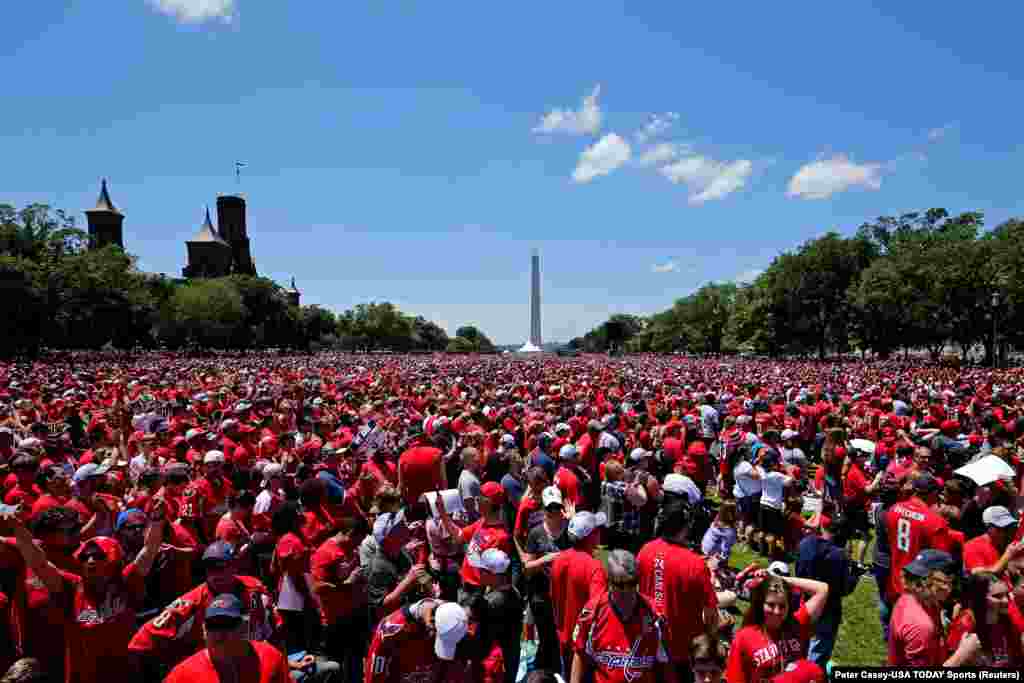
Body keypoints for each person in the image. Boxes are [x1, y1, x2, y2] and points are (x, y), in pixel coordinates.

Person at [4, 500, 163, 683]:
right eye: (86, 557)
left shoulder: (125, 582)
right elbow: (39, 564)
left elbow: (149, 550)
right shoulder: (71, 587)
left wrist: (157, 520)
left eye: (98, 556)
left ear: (113, 560)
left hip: (125, 674)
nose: (91, 561)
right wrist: (18, 529)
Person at [637, 476, 718, 682]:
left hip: (650, 643)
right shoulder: (695, 564)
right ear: (686, 526)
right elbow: (710, 613)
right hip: (683, 649)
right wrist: (711, 641)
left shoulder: (645, 550)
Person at [570, 549, 677, 683]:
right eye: (620, 585)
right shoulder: (593, 612)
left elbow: (666, 664)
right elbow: (579, 653)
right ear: (609, 582)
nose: (627, 591)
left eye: (632, 583)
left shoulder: (655, 614)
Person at [724, 570, 830, 683]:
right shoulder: (744, 637)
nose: (777, 612)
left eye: (782, 606)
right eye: (771, 605)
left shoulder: (797, 623)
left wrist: (780, 579)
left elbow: (822, 589)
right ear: (760, 604)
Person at [162, 593, 291, 683]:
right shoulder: (182, 676)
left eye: (228, 624)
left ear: (243, 628)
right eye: (213, 625)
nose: (220, 632)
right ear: (204, 630)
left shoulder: (270, 657)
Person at [889, 549, 981, 667]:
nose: (951, 588)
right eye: (950, 581)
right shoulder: (922, 626)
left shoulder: (910, 598)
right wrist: (962, 654)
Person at [795, 514, 859, 667]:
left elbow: (798, 572)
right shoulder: (840, 556)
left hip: (805, 603)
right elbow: (843, 589)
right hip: (828, 608)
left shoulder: (805, 543)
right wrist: (855, 576)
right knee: (818, 653)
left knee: (800, 645)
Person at [550, 511, 607, 676]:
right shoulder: (594, 567)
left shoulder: (559, 560)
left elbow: (554, 597)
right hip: (584, 648)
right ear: (591, 536)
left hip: (563, 640)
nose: (600, 533)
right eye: (597, 530)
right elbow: (597, 611)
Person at [523, 485, 572, 673]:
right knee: (546, 637)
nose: (553, 513)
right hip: (542, 595)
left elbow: (587, 548)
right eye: (549, 509)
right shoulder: (536, 533)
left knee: (563, 636)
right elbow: (527, 567)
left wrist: (574, 519)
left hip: (565, 595)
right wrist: (546, 559)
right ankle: (546, 671)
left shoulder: (570, 530)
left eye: (557, 508)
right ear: (543, 510)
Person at [883, 472, 953, 602]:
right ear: (933, 494)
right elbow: (941, 561)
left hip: (894, 581)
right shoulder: (936, 522)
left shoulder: (894, 509)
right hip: (918, 588)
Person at [363, 599, 468, 683]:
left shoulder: (455, 619)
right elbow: (375, 674)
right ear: (431, 624)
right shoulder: (392, 630)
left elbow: (450, 667)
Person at [946, 571, 1023, 667]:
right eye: (997, 596)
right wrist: (962, 655)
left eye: (1006, 594)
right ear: (979, 599)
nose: (1006, 600)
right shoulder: (965, 624)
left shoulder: (1008, 620)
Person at [472, 548, 522, 683]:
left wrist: (478, 590)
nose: (478, 573)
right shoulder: (512, 591)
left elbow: (474, 615)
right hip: (507, 656)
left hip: (494, 665)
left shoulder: (493, 603)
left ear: (493, 575)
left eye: (481, 570)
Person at [963, 505, 1024, 574]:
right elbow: (980, 576)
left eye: (1008, 527)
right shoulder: (972, 547)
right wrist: (1007, 556)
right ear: (988, 527)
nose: (1005, 533)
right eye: (1001, 528)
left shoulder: (1007, 543)